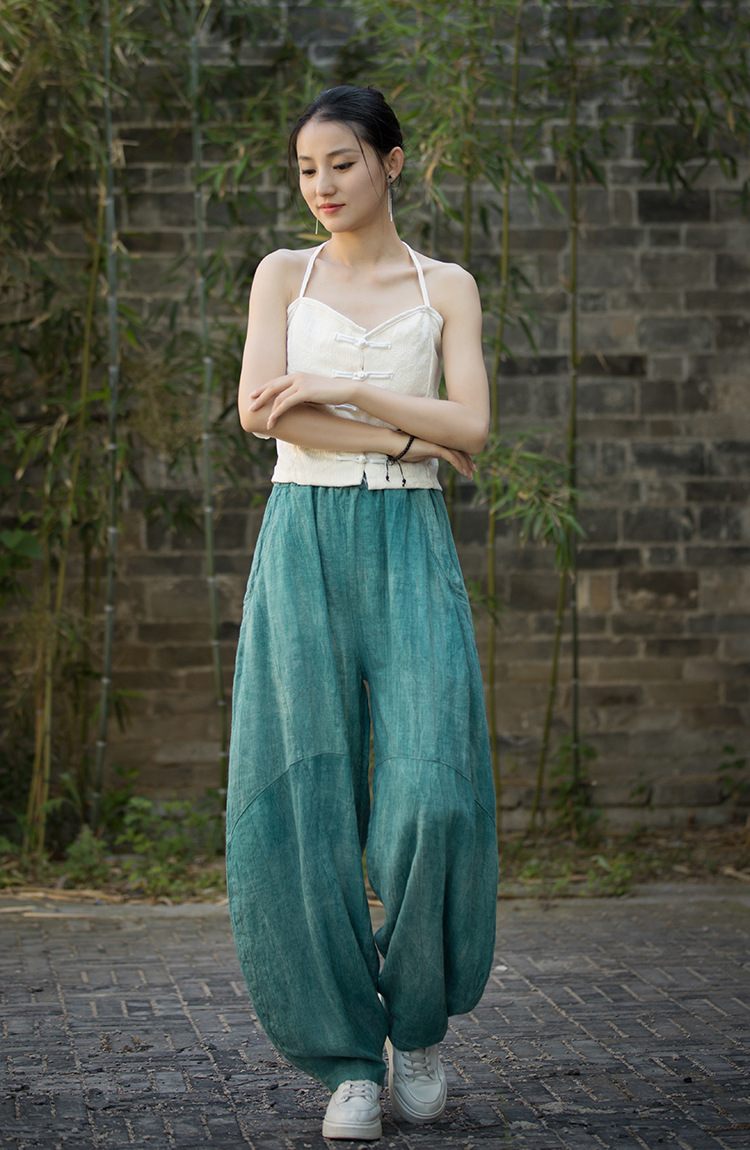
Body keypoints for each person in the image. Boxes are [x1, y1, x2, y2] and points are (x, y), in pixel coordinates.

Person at [226, 84, 498, 1141]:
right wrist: (409, 436)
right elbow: (265, 415)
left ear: (392, 161)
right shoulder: (281, 275)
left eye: (341, 162)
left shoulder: (446, 286)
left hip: (410, 542)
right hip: (303, 531)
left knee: (433, 792)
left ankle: (417, 1027)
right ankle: (347, 1058)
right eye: (306, 169)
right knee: (303, 793)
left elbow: (474, 423)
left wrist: (358, 398)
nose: (322, 186)